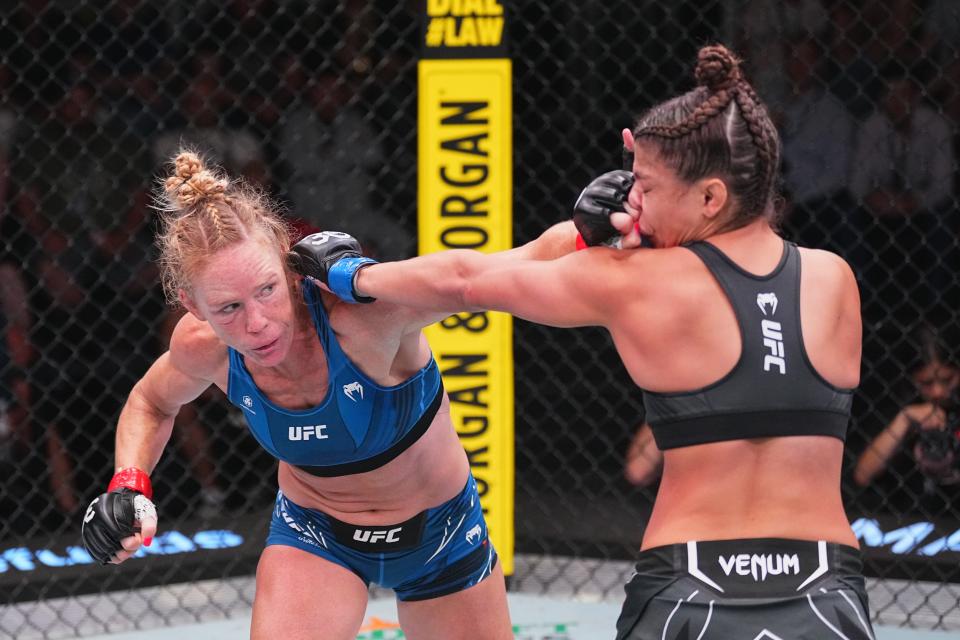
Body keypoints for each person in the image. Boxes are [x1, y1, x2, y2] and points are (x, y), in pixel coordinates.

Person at [306, 45, 873, 638]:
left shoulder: (634, 282)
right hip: (824, 585)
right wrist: (638, 232)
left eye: (646, 188)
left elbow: (469, 280)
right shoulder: (834, 279)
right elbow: (750, 313)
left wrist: (352, 275)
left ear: (710, 198)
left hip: (691, 585)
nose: (634, 203)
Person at [79, 151, 516, 640]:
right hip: (317, 536)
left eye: (267, 290)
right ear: (193, 307)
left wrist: (594, 230)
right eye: (228, 308)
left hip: (443, 534)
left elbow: (483, 278)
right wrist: (129, 482)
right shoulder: (204, 348)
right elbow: (152, 401)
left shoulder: (362, 318)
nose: (257, 323)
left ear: (289, 268)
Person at [854, 327, 960, 492]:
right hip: (904, 512)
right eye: (926, 383)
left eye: (947, 380)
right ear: (911, 378)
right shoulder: (897, 406)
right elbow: (863, 475)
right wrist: (904, 420)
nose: (938, 391)